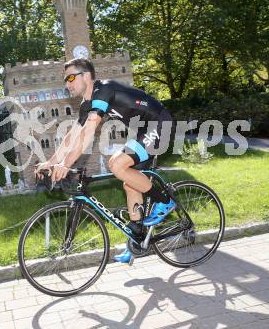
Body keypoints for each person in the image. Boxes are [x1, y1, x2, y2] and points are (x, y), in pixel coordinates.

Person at [35, 58, 175, 263]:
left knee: (117, 164)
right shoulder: (87, 104)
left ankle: (165, 201)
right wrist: (51, 161)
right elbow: (73, 135)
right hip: (144, 131)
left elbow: (89, 132)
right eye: (65, 80)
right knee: (130, 183)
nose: (67, 84)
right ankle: (137, 241)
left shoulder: (104, 90)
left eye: (71, 78)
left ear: (87, 76)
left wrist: (66, 165)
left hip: (161, 124)